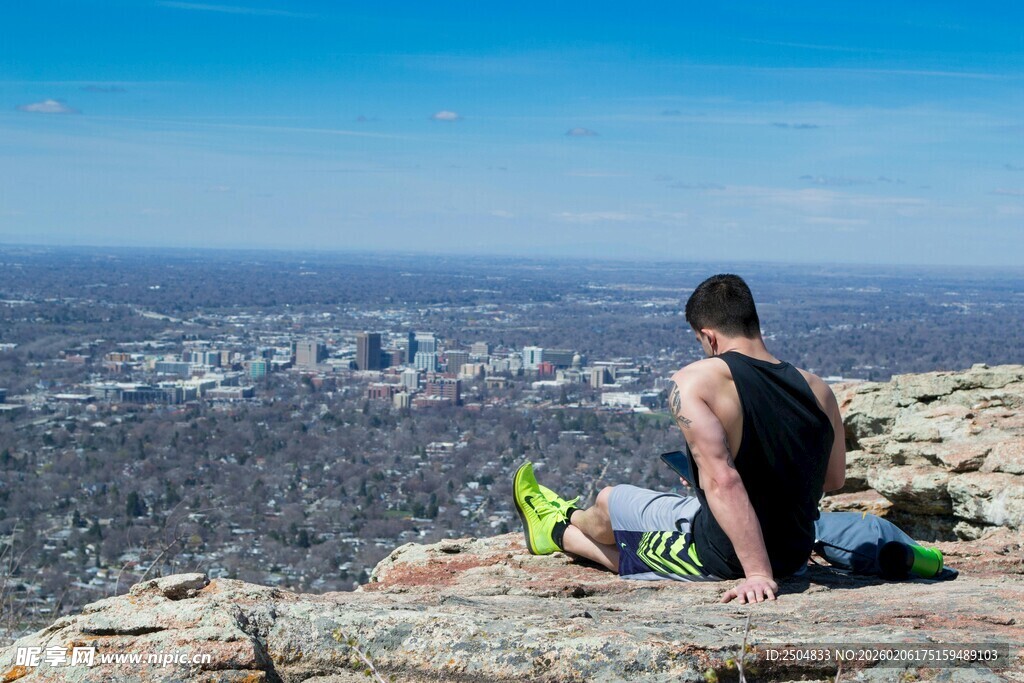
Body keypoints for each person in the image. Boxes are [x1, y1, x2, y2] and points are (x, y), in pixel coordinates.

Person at [512, 273, 846, 604]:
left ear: (708, 337)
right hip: (795, 555)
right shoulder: (818, 389)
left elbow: (723, 481)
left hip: (725, 555)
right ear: (753, 323)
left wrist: (758, 574)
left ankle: (558, 529)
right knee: (631, 503)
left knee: (611, 508)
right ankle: (568, 517)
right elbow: (833, 479)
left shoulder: (697, 380)